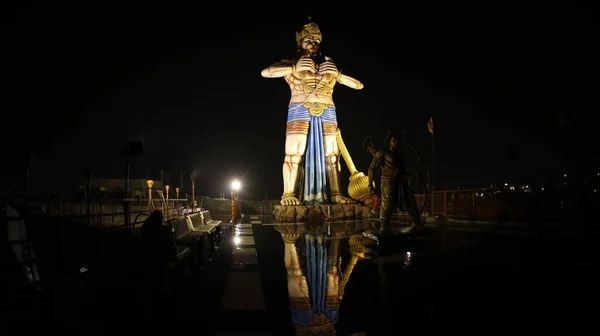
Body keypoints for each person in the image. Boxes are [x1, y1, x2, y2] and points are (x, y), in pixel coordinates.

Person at [261, 20, 364, 206]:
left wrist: (338, 74)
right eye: (308, 40)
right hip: (300, 108)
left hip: (327, 109)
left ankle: (335, 194)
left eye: (316, 40)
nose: (313, 43)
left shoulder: (330, 65)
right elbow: (266, 72)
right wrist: (294, 68)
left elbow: (358, 85)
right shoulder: (291, 63)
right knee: (293, 154)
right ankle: (288, 193)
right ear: (299, 42)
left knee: (332, 156)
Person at [367, 130, 425, 233]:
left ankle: (417, 223)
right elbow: (372, 168)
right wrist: (370, 184)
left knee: (410, 201)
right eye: (393, 140)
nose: (395, 142)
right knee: (387, 205)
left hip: (401, 183)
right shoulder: (383, 152)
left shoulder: (399, 155)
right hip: (387, 183)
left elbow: (402, 172)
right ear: (389, 141)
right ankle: (384, 228)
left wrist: (413, 177)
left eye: (397, 140)